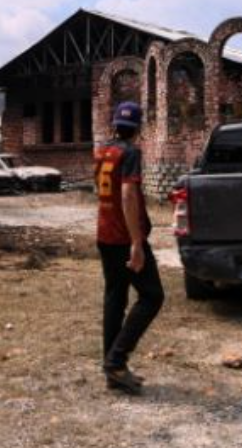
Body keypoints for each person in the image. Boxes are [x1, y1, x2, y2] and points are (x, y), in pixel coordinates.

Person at [94, 101, 165, 395]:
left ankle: (114, 369)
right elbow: (127, 195)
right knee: (152, 296)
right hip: (124, 239)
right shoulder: (131, 152)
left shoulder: (102, 151)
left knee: (115, 297)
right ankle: (117, 359)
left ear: (115, 123)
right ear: (138, 128)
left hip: (105, 235)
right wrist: (137, 243)